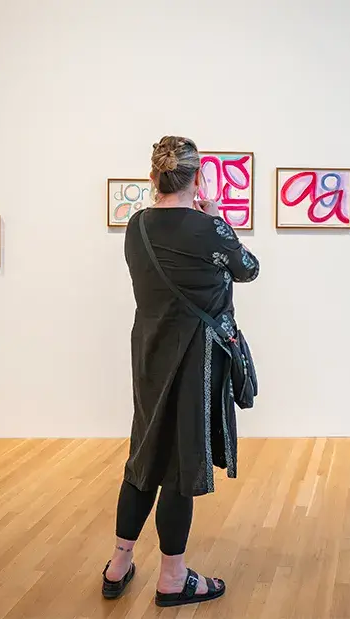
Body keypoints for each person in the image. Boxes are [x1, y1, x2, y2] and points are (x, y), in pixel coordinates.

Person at [100, 136, 260, 608]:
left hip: (149, 355)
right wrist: (217, 218)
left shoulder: (136, 226)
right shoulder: (209, 229)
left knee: (144, 454)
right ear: (199, 177)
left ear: (153, 178)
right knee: (178, 464)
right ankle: (173, 578)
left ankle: (118, 564)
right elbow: (248, 269)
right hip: (195, 358)